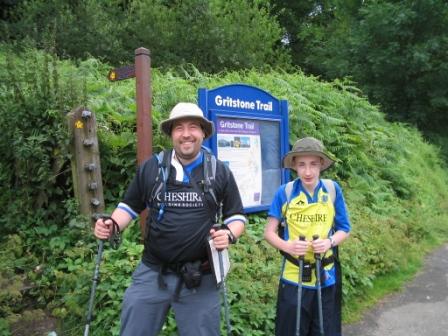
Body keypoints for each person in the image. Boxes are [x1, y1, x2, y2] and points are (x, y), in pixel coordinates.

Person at [94, 102, 246, 336]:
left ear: (203, 133)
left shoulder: (219, 171)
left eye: (193, 127)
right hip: (153, 271)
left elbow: (236, 216)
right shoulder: (152, 168)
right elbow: (129, 207)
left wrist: (229, 234)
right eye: (179, 128)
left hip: (201, 277)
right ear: (171, 134)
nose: (186, 134)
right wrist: (112, 225)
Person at [264, 137, 350, 336]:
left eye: (313, 164)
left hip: (325, 276)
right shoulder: (285, 193)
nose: (308, 171)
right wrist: (288, 246)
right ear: (294, 165)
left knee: (324, 331)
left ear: (321, 164)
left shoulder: (331, 190)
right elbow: (269, 232)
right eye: (301, 164)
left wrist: (329, 241)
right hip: (294, 277)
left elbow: (344, 228)